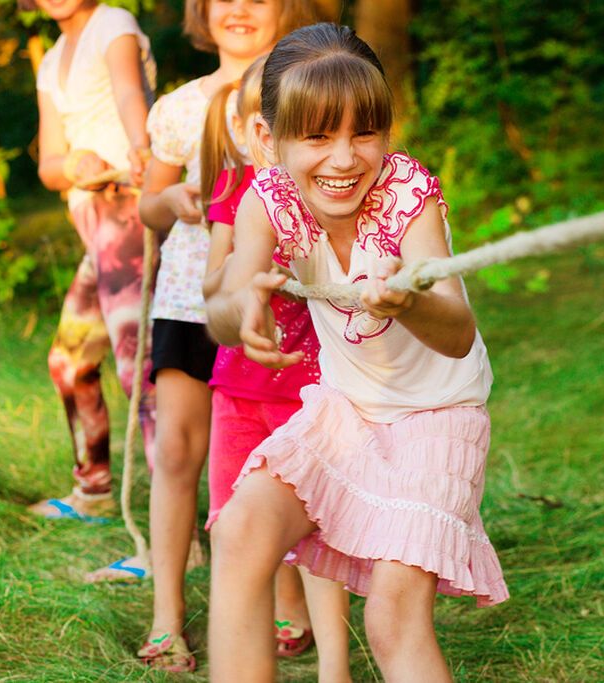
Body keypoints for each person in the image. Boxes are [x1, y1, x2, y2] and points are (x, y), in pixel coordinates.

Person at [205, 23, 508, 682]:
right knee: (239, 530)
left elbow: (456, 332)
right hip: (346, 415)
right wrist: (243, 306)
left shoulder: (407, 196)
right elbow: (226, 302)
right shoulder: (270, 198)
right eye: (317, 135)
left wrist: (409, 300)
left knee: (393, 617)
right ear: (268, 139)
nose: (344, 158)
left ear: (386, 132)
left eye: (363, 133)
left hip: (437, 418)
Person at [99, 0, 319, 672]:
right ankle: (168, 615)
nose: (240, 8)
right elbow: (149, 203)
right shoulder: (179, 107)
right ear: (201, 12)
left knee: (273, 455)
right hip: (190, 300)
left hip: (278, 308)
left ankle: (283, 595)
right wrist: (175, 204)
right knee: (179, 452)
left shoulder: (311, 86)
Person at [199, 60, 351, 675]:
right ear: (259, 131)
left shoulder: (331, 190)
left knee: (320, 537)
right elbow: (216, 286)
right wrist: (246, 290)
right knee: (234, 528)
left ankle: (334, 667)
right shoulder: (239, 193)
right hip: (238, 388)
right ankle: (247, 646)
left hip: (310, 394)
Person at [26, 0, 157, 522]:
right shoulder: (50, 59)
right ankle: (95, 488)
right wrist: (73, 165)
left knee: (140, 373)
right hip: (94, 222)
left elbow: (129, 95)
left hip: (125, 210)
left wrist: (143, 147)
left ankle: (181, 537)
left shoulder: (114, 24)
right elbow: (49, 165)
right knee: (71, 360)